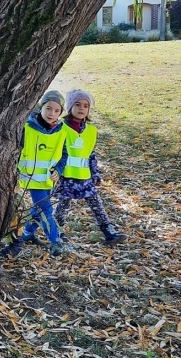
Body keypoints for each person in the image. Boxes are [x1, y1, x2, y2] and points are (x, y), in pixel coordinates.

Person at [0, 91, 68, 258]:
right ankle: (55, 240)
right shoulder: (26, 126)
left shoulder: (62, 130)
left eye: (57, 111)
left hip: (46, 180)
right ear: (40, 107)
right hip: (25, 179)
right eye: (48, 108)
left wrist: (58, 171)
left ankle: (28, 233)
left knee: (38, 211)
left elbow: (64, 155)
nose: (52, 114)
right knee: (45, 210)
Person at [53, 89, 127, 245]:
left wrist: (95, 174)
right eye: (77, 104)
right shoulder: (61, 128)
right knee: (62, 206)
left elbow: (91, 154)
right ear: (70, 107)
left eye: (86, 106)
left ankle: (109, 232)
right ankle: (56, 233)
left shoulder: (91, 131)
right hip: (65, 177)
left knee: (96, 205)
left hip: (85, 177)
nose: (81, 108)